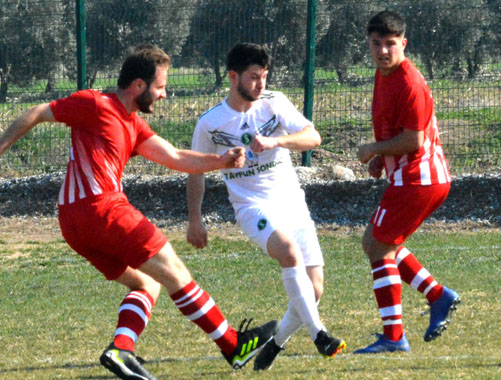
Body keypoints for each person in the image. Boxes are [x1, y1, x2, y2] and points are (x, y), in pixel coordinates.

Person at [0, 45, 278, 380]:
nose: (164, 94)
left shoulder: (133, 125)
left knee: (148, 283)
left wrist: (221, 160)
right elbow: (37, 112)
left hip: (73, 223)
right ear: (138, 86)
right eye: (160, 87)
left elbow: (175, 157)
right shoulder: (96, 103)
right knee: (174, 271)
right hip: (102, 208)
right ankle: (233, 344)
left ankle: (122, 349)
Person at [186, 42, 346, 371]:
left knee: (313, 291)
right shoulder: (211, 123)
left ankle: (275, 344)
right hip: (252, 208)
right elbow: (196, 172)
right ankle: (320, 336)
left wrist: (276, 141)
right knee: (288, 251)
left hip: (292, 203)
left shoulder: (274, 104)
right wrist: (194, 220)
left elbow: (312, 137)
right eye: (254, 77)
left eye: (264, 76)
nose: (261, 84)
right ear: (233, 77)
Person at [354, 11, 460, 354]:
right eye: (376, 44)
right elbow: (395, 133)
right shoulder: (383, 75)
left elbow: (413, 140)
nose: (383, 51)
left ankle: (395, 336)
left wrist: (373, 149)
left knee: (378, 245)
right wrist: (381, 160)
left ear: (404, 43)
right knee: (379, 242)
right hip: (413, 177)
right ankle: (437, 296)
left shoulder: (408, 81)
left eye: (390, 44)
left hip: (419, 179)